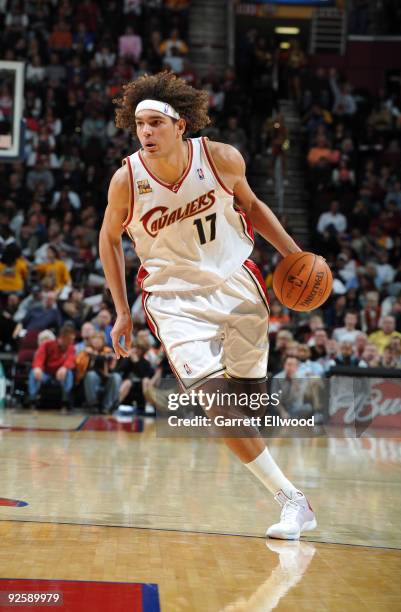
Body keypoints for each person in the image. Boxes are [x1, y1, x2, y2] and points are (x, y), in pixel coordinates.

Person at [99, 71, 316, 540]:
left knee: (247, 402)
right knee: (215, 402)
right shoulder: (127, 180)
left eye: (157, 123)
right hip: (174, 300)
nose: (147, 133)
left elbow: (253, 206)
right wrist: (121, 311)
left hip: (237, 284)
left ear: (181, 126)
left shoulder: (219, 158)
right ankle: (293, 502)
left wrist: (293, 254)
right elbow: (108, 240)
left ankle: (276, 467)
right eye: (141, 125)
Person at [28, 323, 76, 412]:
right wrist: (38, 368)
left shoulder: (71, 347)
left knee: (68, 373)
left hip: (60, 374)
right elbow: (39, 358)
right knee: (33, 372)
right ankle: (32, 400)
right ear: (62, 337)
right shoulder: (47, 345)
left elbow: (71, 360)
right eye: (70, 339)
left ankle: (65, 400)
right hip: (46, 373)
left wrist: (64, 367)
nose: (72, 341)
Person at [75, 331, 121, 413]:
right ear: (91, 341)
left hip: (105, 380)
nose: (97, 340)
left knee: (116, 377)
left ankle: (106, 407)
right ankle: (93, 405)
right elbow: (79, 367)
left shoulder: (108, 351)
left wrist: (96, 355)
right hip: (87, 381)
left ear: (103, 341)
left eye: (99, 338)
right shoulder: (84, 352)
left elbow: (113, 368)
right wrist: (89, 355)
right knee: (91, 375)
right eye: (94, 338)